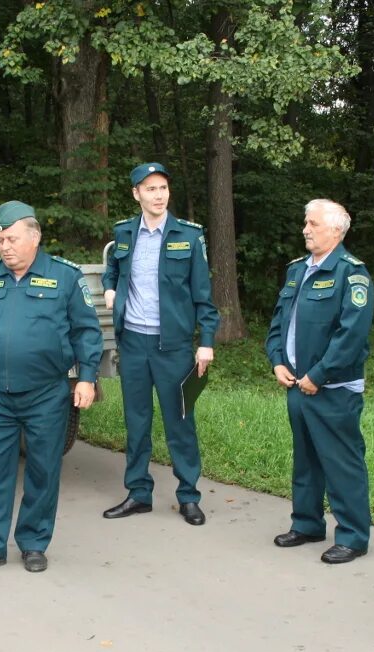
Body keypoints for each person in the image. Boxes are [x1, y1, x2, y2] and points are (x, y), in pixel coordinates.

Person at [0, 201, 103, 576]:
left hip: (46, 394)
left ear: (34, 237)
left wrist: (86, 377)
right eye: (1, 240)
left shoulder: (64, 277)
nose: (5, 247)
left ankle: (34, 543)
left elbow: (86, 331)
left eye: (12, 239)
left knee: (43, 470)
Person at [101, 162, 220, 526]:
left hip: (175, 346)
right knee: (136, 422)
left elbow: (203, 293)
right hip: (134, 343)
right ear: (136, 194)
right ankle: (139, 493)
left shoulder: (188, 235)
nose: (158, 195)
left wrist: (207, 341)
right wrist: (109, 288)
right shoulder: (123, 233)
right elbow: (113, 269)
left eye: (163, 188)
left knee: (180, 421)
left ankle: (189, 496)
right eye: (149, 189)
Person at [264, 200, 374, 564]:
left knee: (341, 461)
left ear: (336, 231)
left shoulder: (351, 274)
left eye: (313, 224)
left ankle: (353, 535)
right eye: (305, 223)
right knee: (306, 459)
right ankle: (307, 523)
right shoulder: (297, 271)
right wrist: (277, 361)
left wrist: (319, 375)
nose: (305, 229)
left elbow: (351, 336)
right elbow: (279, 323)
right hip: (297, 383)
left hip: (333, 389)